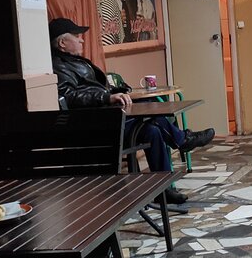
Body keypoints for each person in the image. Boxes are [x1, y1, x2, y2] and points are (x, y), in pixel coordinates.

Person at [49, 17, 215, 205]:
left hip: (107, 120)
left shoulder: (74, 62)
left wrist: (116, 90)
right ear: (62, 43)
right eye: (76, 36)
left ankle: (164, 189)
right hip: (98, 129)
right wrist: (106, 97)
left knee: (152, 130)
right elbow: (70, 96)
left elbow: (92, 88)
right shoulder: (58, 67)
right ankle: (182, 140)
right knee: (151, 108)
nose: (82, 40)